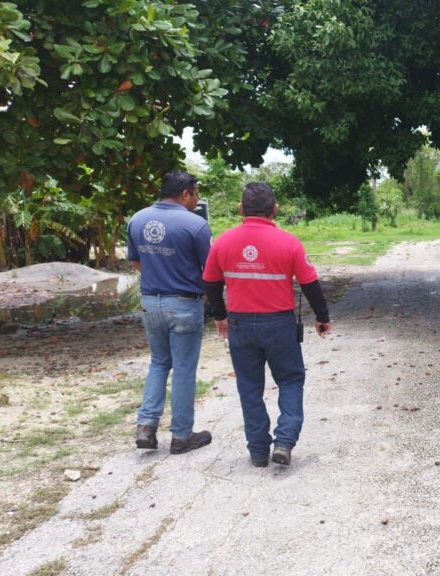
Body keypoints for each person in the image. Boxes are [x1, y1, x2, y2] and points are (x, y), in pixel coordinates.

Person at [202, 182, 332, 467]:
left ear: (240, 209)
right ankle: (284, 442)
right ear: (275, 210)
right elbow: (310, 284)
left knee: (249, 388)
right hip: (279, 327)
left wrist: (219, 315)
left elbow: (210, 283)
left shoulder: (222, 242)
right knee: (290, 380)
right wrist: (322, 317)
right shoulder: (289, 243)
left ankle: (259, 452)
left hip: (239, 326)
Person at [127, 170, 213, 454]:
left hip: (150, 302)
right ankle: (181, 435)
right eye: (196, 193)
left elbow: (136, 262)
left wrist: (160, 273)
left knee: (159, 363)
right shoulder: (195, 224)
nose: (197, 199)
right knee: (184, 369)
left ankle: (146, 426)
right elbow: (210, 270)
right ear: (185, 193)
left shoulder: (137, 219)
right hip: (185, 303)